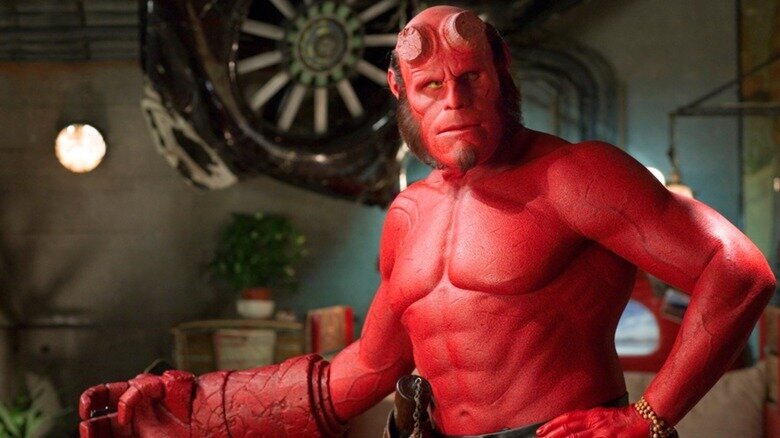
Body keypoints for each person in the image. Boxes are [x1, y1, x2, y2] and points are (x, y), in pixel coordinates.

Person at [79, 6, 775, 437]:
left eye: (471, 79)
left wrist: (647, 418)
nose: (455, 102)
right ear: (401, 93)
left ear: (501, 71)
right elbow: (367, 369)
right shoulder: (408, 216)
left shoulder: (576, 176)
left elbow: (738, 270)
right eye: (432, 87)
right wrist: (195, 410)